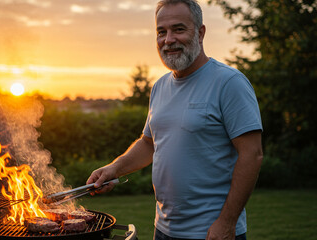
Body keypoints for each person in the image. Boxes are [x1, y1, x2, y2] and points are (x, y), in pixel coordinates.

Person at [86, 0, 263, 239]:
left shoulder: (229, 82)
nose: (168, 39)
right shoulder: (160, 87)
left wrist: (227, 222)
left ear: (200, 33)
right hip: (164, 229)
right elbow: (149, 143)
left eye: (179, 29)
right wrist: (114, 168)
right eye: (161, 32)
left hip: (211, 232)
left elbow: (252, 154)